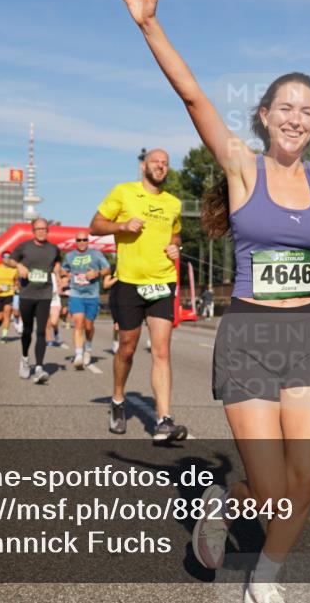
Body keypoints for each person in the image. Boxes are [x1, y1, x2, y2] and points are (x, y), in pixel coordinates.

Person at [113, 0, 310, 599]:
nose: (298, 117)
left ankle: (263, 579)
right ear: (266, 117)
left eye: (307, 110)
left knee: (302, 484)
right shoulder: (243, 171)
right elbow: (192, 95)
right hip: (248, 336)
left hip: (307, 337)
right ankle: (226, 501)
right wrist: (150, 24)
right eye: (286, 107)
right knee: (271, 490)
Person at [90, 148, 188, 442]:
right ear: (144, 166)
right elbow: (94, 225)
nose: (161, 166)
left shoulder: (173, 203)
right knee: (127, 349)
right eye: (156, 162)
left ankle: (164, 420)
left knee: (161, 351)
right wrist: (121, 225)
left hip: (162, 282)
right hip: (130, 282)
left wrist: (176, 248)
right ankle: (118, 399)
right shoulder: (124, 192)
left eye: (165, 163)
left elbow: (176, 236)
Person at [6, 218, 62, 383]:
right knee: (28, 330)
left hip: (45, 294)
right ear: (33, 231)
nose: (41, 231)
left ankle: (39, 367)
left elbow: (57, 262)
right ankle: (24, 359)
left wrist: (57, 274)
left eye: (44, 229)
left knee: (41, 331)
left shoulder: (53, 248)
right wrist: (19, 266)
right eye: (38, 229)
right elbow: (9, 260)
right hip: (27, 294)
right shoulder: (24, 246)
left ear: (48, 230)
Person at [62, 232, 112, 370]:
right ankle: (78, 354)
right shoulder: (70, 256)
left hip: (92, 294)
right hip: (76, 293)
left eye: (85, 239)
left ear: (88, 241)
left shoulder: (96, 254)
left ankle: (88, 348)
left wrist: (97, 273)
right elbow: (63, 270)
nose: (82, 242)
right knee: (78, 323)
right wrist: (66, 275)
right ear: (76, 241)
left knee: (88, 326)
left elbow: (107, 269)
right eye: (79, 240)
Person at [0, 251, 19, 342]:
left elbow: (16, 281)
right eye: (5, 257)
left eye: (9, 257)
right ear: (2, 259)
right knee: (0, 317)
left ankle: (4, 335)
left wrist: (16, 285)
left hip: (9, 294)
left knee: (7, 313)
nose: (7, 258)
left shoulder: (14, 270)